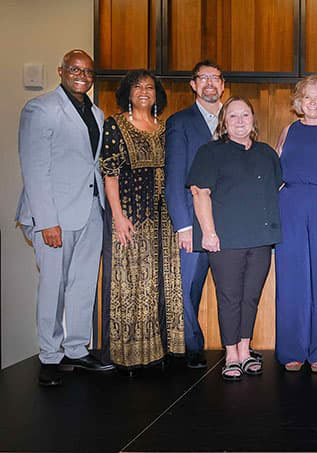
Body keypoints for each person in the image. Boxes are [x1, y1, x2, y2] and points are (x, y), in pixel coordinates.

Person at [17, 49, 113, 386]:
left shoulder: (97, 114)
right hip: (55, 215)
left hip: (90, 211)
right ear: (61, 71)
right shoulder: (40, 109)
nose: (81, 76)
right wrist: (47, 221)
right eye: (75, 69)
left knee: (83, 284)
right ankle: (50, 356)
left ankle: (75, 349)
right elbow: (34, 167)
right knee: (53, 286)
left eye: (87, 71)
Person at [188, 97, 281, 381]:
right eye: (233, 117)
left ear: (253, 120)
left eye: (245, 115)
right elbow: (199, 192)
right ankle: (230, 353)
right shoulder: (210, 152)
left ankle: (245, 348)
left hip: (260, 237)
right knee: (229, 298)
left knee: (250, 297)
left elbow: (276, 186)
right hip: (225, 238)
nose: (240, 121)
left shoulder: (266, 153)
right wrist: (209, 232)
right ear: (224, 123)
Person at [100, 69, 185, 370]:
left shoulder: (164, 129)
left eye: (149, 87)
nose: (144, 91)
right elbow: (109, 175)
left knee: (161, 282)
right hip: (132, 215)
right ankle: (130, 356)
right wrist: (118, 216)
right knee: (133, 283)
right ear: (128, 93)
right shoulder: (116, 125)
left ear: (157, 95)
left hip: (164, 219)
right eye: (137, 87)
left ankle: (161, 352)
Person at [274, 76, 317, 373]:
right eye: (307, 98)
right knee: (292, 279)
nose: (312, 103)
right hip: (289, 206)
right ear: (298, 102)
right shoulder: (289, 130)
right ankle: (292, 348)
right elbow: (274, 169)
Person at [166, 60, 225, 369]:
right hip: (193, 221)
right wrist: (183, 224)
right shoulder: (180, 122)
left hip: (228, 221)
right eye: (203, 78)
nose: (210, 84)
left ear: (223, 84)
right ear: (193, 84)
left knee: (230, 290)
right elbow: (174, 175)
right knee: (189, 288)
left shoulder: (234, 119)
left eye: (215, 78)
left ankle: (236, 347)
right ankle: (191, 346)